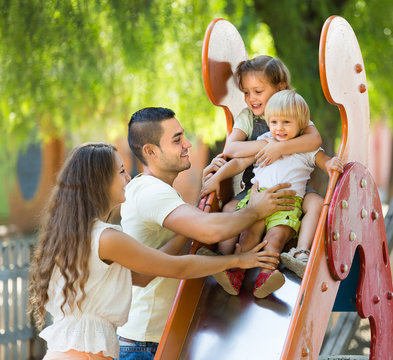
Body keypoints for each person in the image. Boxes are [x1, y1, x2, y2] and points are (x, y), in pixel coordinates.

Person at [27, 142, 283, 360]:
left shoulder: (75, 234)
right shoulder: (107, 238)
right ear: (101, 182)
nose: (128, 178)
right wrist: (238, 257)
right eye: (121, 172)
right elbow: (178, 268)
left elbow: (142, 276)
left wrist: (188, 229)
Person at [116, 107, 296, 359]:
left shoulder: (155, 191)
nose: (187, 144)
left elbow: (183, 239)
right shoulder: (150, 191)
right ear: (150, 151)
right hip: (145, 344)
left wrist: (203, 200)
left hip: (154, 338)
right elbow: (209, 231)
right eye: (177, 140)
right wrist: (255, 211)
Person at [200, 90, 343, 298]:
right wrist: (216, 178)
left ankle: (266, 278)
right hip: (257, 200)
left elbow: (324, 161)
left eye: (287, 122)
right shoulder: (265, 141)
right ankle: (234, 274)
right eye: (274, 122)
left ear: (301, 124)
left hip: (286, 203)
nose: (279, 128)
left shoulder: (306, 148)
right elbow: (239, 162)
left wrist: (331, 163)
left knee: (274, 239)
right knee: (247, 237)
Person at [203, 55, 324, 272]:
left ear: (280, 87)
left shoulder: (293, 112)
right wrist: (267, 144)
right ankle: (221, 260)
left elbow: (314, 140)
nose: (251, 98)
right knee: (230, 208)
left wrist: (280, 147)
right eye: (246, 93)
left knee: (315, 202)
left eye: (258, 91)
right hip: (256, 186)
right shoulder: (248, 117)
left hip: (293, 187)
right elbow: (232, 149)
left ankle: (301, 253)